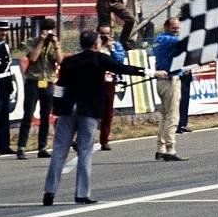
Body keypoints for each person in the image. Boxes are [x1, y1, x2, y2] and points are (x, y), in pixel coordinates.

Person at [43, 30, 158, 206]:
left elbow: (60, 86)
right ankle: (82, 194)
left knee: (59, 151)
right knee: (84, 151)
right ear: (96, 44)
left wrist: (57, 108)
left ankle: (49, 193)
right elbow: (123, 68)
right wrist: (151, 73)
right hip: (87, 110)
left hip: (67, 109)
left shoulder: (69, 61)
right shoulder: (99, 59)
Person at [17, 18, 62, 159]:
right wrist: (41, 41)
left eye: (52, 30)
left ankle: (42, 147)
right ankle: (21, 146)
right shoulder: (31, 42)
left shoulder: (55, 43)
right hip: (33, 81)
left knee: (45, 115)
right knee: (28, 114)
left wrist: (55, 44)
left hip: (47, 81)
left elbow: (60, 61)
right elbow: (33, 59)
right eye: (47, 30)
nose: (50, 33)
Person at [153, 18, 189, 161]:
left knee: (165, 116)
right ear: (166, 27)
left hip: (163, 80)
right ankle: (170, 149)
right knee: (173, 117)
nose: (177, 30)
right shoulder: (166, 40)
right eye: (174, 28)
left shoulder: (160, 39)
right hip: (169, 81)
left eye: (178, 28)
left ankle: (160, 148)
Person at [95, 23, 126, 151]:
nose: (104, 36)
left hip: (109, 80)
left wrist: (112, 49)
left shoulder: (115, 45)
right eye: (102, 33)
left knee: (107, 111)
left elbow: (119, 61)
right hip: (94, 81)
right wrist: (97, 46)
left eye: (107, 33)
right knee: (90, 111)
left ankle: (104, 140)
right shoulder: (93, 44)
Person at [0, 21, 14, 155]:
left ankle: (4, 145)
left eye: (6, 30)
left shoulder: (6, 47)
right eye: (1, 30)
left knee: (4, 116)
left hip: (5, 84)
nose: (4, 33)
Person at [176, 70, 193, 134]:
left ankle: (183, 124)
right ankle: (177, 125)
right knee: (180, 102)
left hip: (187, 77)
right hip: (179, 78)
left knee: (185, 102)